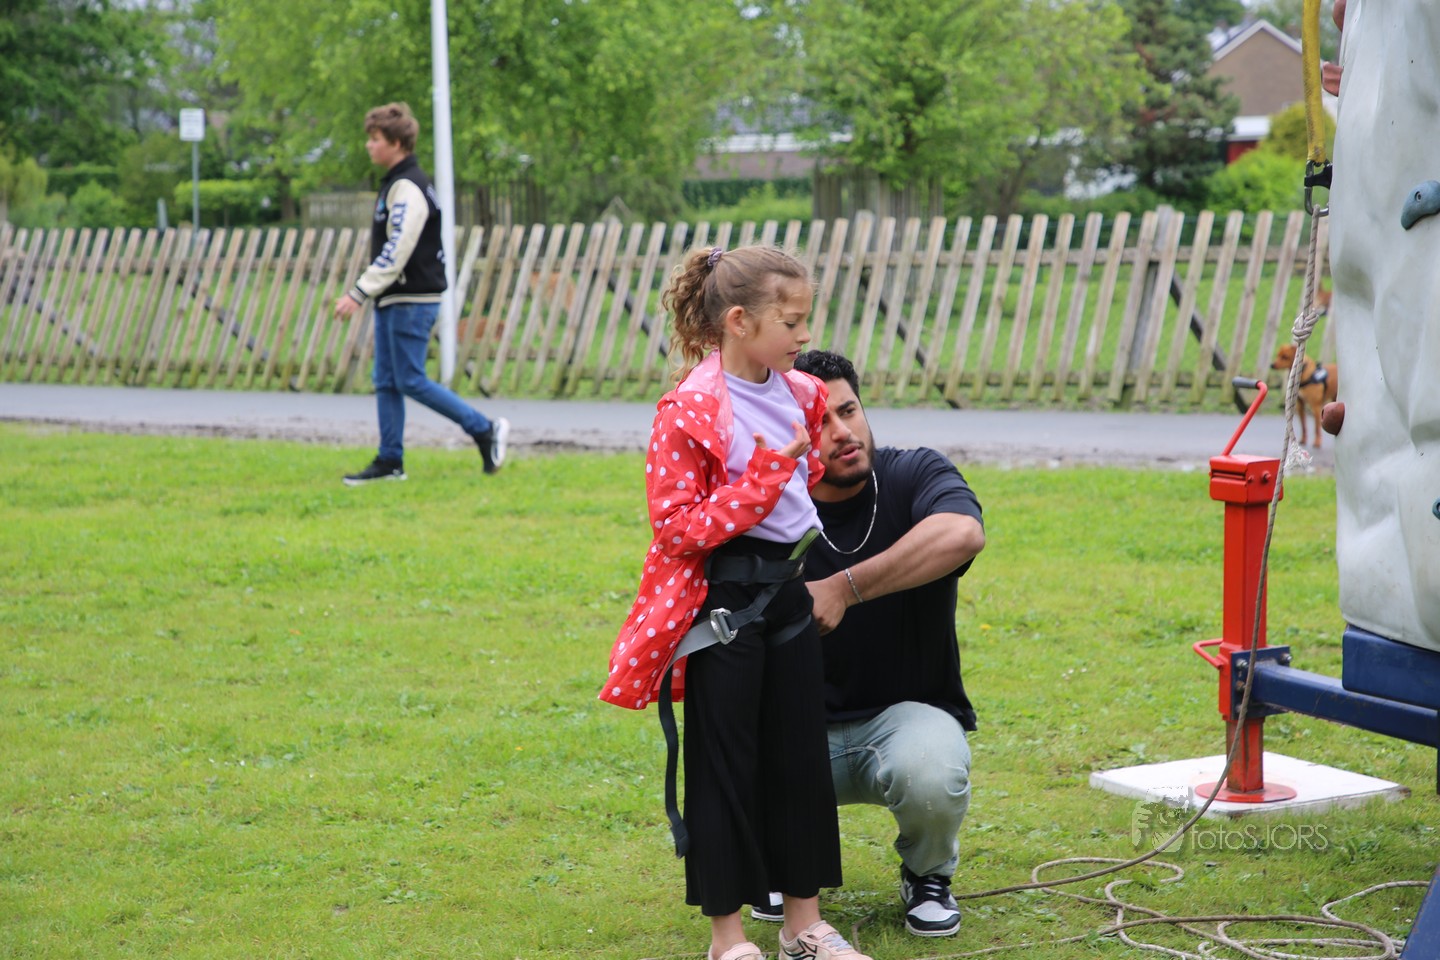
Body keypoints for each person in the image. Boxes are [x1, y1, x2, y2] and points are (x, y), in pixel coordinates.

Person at [601, 247, 871, 960]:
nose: (804, 335)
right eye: (792, 321)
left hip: (788, 594)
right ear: (740, 321)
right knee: (723, 765)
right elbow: (676, 528)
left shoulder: (802, 391)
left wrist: (789, 478)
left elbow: (803, 481)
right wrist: (764, 478)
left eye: (806, 319)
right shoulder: (689, 409)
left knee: (800, 757)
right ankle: (728, 940)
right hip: (723, 606)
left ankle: (803, 927)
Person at [784, 349, 986, 939]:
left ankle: (927, 876)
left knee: (931, 771)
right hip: (798, 728)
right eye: (820, 422)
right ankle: (781, 868)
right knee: (737, 748)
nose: (842, 432)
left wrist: (844, 589)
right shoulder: (769, 503)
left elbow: (962, 533)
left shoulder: (913, 473)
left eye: (848, 411)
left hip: (905, 719)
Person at [333, 102, 509, 486]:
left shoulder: (407, 187)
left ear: (396, 143)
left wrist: (358, 292)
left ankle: (484, 429)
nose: (369, 146)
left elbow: (398, 247)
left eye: (375, 139)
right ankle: (390, 460)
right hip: (395, 298)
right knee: (386, 380)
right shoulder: (399, 183)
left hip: (410, 299)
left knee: (410, 379)